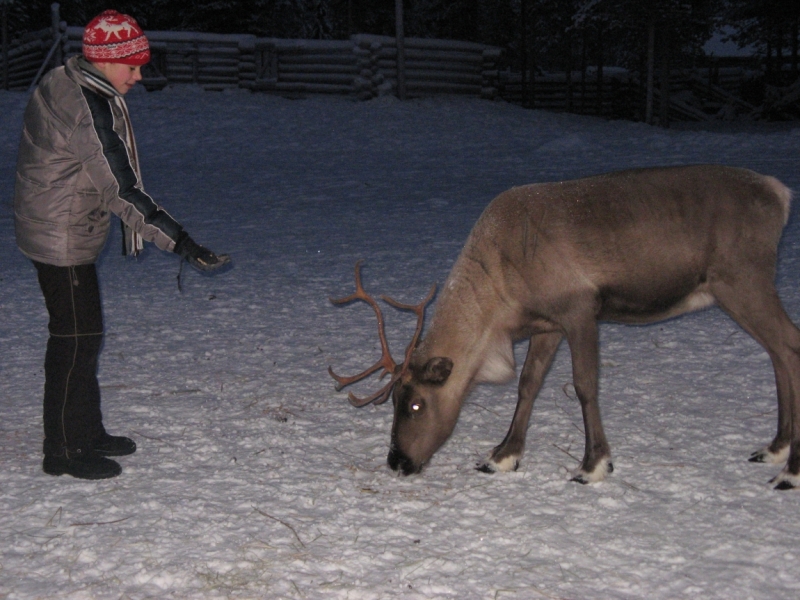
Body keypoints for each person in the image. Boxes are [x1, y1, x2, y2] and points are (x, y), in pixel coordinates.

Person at [14, 10, 231, 480]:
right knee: (74, 341)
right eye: (131, 66)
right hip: (60, 235)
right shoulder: (87, 106)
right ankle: (64, 451)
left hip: (55, 222)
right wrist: (183, 243)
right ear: (105, 61)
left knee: (83, 336)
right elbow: (120, 189)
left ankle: (85, 432)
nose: (137, 76)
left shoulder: (70, 79)